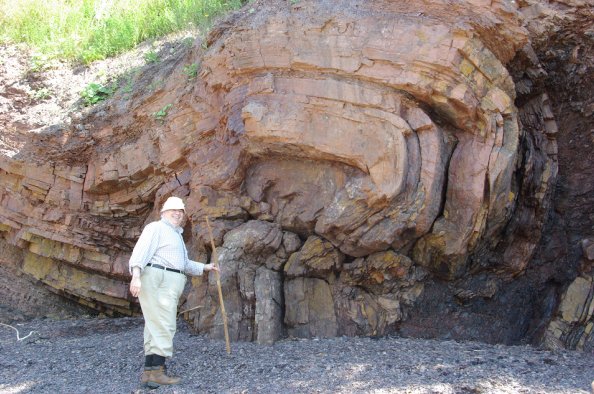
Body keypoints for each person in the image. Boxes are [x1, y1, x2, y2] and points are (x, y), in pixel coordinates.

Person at [128, 196, 218, 388]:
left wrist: (206, 267)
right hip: (158, 278)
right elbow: (140, 253)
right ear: (163, 213)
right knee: (165, 324)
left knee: (155, 324)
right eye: (173, 210)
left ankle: (150, 372)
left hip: (169, 280)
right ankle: (157, 372)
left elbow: (183, 264)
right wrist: (136, 276)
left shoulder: (175, 234)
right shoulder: (156, 228)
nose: (177, 213)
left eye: (180, 211)